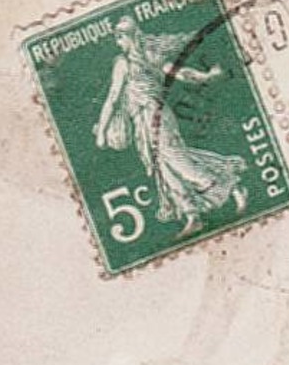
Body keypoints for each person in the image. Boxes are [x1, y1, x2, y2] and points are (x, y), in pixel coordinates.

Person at [93, 16, 249, 235]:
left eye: (119, 37)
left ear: (129, 37)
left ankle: (227, 185)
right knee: (163, 167)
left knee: (175, 157)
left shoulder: (133, 60)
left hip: (156, 116)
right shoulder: (137, 58)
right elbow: (179, 74)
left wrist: (101, 131)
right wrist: (205, 76)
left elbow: (114, 96)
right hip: (142, 122)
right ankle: (192, 215)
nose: (118, 42)